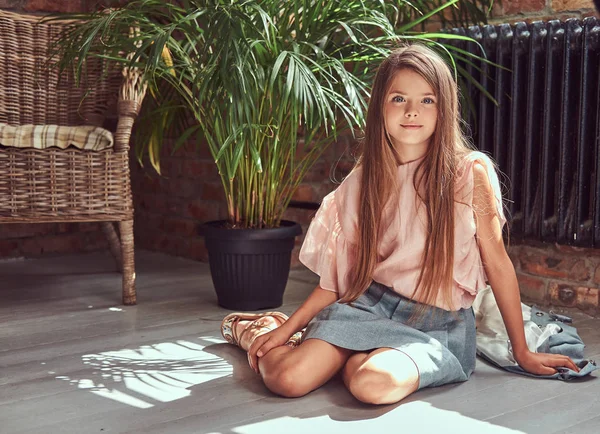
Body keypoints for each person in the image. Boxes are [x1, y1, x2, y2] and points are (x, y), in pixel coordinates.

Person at [219, 43, 579, 405]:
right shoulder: (362, 183)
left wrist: (522, 350)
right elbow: (337, 281)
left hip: (439, 323)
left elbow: (497, 263)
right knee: (287, 379)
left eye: (427, 100)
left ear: (444, 108)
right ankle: (260, 329)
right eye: (398, 99)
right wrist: (288, 328)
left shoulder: (470, 172)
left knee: (373, 385)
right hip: (370, 305)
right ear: (380, 107)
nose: (411, 111)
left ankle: (352, 356)